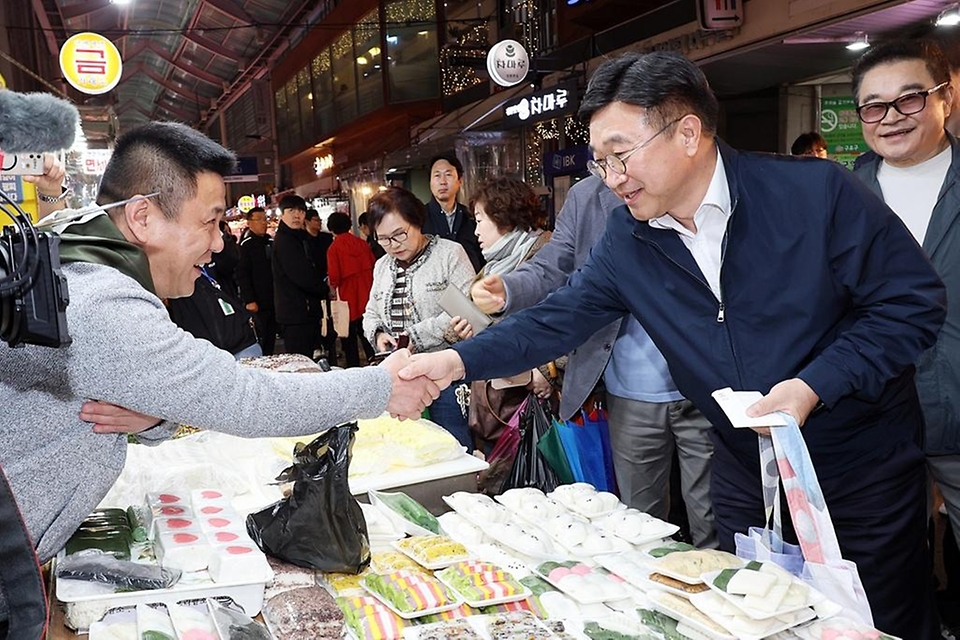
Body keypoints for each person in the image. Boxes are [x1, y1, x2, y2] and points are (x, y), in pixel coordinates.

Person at [401, 51, 946, 638]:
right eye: (599, 162)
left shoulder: (814, 194)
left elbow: (910, 305)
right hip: (744, 472)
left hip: (858, 470)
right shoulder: (629, 238)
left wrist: (814, 385)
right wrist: (455, 360)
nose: (611, 179)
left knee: (877, 622)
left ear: (687, 132)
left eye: (621, 155)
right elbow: (559, 318)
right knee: (755, 619)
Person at [0, 121, 437, 627]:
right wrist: (382, 386)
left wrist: (155, 418)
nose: (218, 245)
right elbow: (243, 396)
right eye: (209, 222)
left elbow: (133, 393)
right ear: (142, 216)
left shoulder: (76, 245)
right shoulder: (102, 301)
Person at [471, 174, 716, 547]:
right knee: (638, 520)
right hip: (631, 391)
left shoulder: (695, 185)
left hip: (705, 383)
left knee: (712, 515)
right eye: (599, 155)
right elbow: (554, 264)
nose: (609, 167)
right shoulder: (587, 196)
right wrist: (509, 288)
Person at [850, 39, 960, 619]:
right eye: (873, 105)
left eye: (909, 98)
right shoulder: (836, 197)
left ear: (947, 97)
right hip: (873, 421)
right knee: (883, 570)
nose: (891, 117)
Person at [363, 187, 476, 450]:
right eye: (384, 239)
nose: (393, 245)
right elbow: (370, 313)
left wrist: (414, 337)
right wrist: (379, 335)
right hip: (399, 379)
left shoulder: (449, 254)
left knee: (452, 447)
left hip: (446, 377)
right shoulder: (382, 266)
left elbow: (465, 312)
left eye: (400, 234)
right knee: (409, 449)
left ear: (417, 221)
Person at [448, 176, 553, 453]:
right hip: (497, 394)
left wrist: (548, 370)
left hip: (533, 394)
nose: (476, 231)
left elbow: (566, 313)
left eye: (480, 220)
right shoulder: (492, 265)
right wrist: (464, 329)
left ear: (504, 216)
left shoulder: (546, 253)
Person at [271, 195, 329, 359]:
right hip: (295, 313)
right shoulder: (285, 241)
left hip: (304, 311)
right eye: (291, 211)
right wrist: (323, 288)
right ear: (282, 214)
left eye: (301, 211)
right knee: (301, 361)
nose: (297, 215)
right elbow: (302, 276)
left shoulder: (299, 237)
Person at [327, 210, 376, 367]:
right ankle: (374, 360)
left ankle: (353, 366)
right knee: (367, 333)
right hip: (366, 293)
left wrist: (331, 289)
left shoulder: (334, 248)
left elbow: (334, 277)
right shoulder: (362, 244)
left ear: (331, 228)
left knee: (347, 337)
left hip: (347, 297)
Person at [421, 153, 485, 272]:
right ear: (430, 181)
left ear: (460, 181)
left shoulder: (471, 217)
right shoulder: (419, 218)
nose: (443, 182)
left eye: (448, 175)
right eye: (437, 176)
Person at [237, 206, 277, 355]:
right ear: (249, 223)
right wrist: (249, 300)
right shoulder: (246, 245)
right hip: (257, 302)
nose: (263, 223)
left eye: (264, 219)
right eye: (258, 219)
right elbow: (242, 274)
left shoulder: (270, 241)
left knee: (271, 337)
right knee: (260, 336)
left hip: (273, 298)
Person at [304, 208, 338, 364]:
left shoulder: (326, 238)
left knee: (330, 319)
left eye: (319, 220)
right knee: (316, 318)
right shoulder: (303, 240)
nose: (319, 223)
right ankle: (318, 347)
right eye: (316, 220)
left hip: (328, 283)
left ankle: (330, 350)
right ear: (308, 221)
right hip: (312, 287)